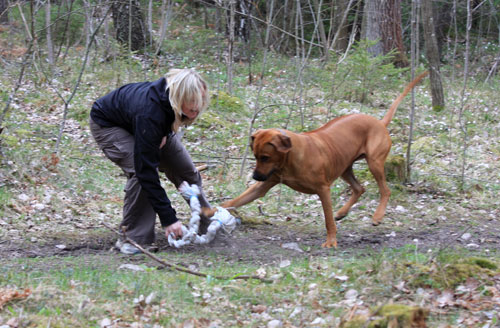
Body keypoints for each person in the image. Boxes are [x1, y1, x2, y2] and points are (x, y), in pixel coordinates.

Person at [89, 68, 211, 254]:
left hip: (144, 124)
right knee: (141, 175)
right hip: (109, 125)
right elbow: (145, 170)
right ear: (179, 96)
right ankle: (134, 239)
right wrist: (169, 218)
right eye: (192, 103)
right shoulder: (150, 113)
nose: (196, 109)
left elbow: (167, 119)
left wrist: (164, 132)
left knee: (185, 169)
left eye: (200, 103)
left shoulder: (169, 104)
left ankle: (209, 222)